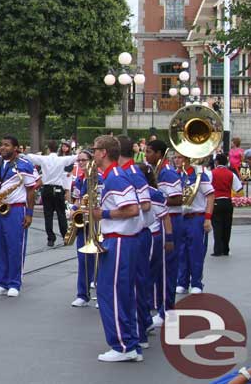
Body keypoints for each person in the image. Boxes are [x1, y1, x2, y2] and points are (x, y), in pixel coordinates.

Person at [89, 135, 143, 362]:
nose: (92, 153)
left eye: (95, 149)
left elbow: (132, 209)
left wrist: (104, 214)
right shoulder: (112, 176)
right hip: (120, 239)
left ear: (103, 152)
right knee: (121, 293)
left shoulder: (115, 177)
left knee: (110, 293)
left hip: (119, 239)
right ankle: (130, 343)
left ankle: (123, 346)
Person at [0, 135, 39, 297]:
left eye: (7, 145)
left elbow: (31, 190)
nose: (3, 148)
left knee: (15, 247)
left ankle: (15, 283)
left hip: (15, 209)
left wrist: (29, 214)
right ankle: (1, 282)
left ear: (16, 148)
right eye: (2, 145)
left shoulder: (25, 165)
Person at [116, 134, 153, 345]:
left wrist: (119, 209)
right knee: (125, 285)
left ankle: (139, 333)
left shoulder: (133, 172)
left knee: (136, 284)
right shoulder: (120, 172)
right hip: (125, 234)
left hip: (136, 235)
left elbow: (146, 204)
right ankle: (135, 327)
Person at [143, 139, 181, 325]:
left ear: (159, 153)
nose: (146, 155)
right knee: (158, 269)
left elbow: (178, 199)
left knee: (166, 269)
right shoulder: (157, 171)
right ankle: (159, 307)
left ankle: (167, 311)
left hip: (170, 221)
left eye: (149, 152)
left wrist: (158, 201)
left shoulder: (168, 173)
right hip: (162, 220)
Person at [24, 140, 76, 247]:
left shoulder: (44, 159)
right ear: (57, 148)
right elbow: (75, 157)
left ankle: (50, 238)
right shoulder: (62, 160)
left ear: (48, 148)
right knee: (61, 213)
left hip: (46, 188)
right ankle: (65, 235)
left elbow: (29, 157)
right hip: (58, 189)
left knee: (48, 214)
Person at [175, 151, 214, 294]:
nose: (176, 160)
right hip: (181, 218)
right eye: (175, 158)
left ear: (187, 159)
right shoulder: (175, 175)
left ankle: (196, 282)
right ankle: (182, 281)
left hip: (196, 217)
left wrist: (208, 218)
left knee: (196, 251)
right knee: (181, 250)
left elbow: (210, 196)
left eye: (179, 158)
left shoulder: (198, 176)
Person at [67, 149, 96, 308]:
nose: (81, 163)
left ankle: (101, 295)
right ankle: (82, 295)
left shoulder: (99, 178)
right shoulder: (79, 179)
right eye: (79, 161)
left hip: (96, 223)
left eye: (84, 160)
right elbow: (76, 199)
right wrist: (73, 209)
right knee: (83, 260)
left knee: (99, 261)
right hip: (82, 224)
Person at [210, 152, 242, 257]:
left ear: (216, 162)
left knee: (217, 226)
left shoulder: (212, 173)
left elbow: (207, 188)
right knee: (227, 226)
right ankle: (226, 249)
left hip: (216, 201)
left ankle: (218, 250)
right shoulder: (231, 174)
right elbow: (238, 188)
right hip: (228, 202)